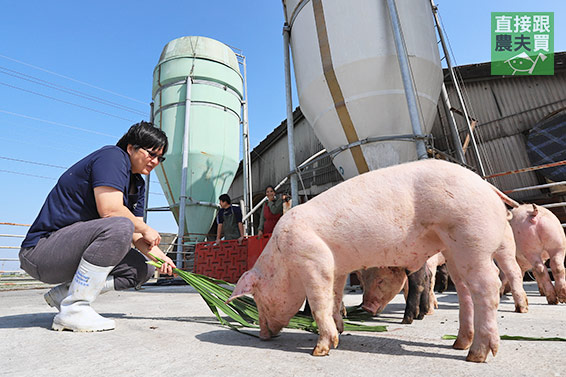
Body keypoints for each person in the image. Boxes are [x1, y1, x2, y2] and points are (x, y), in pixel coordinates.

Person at [19, 121, 176, 332]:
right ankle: (75, 309)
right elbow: (111, 211)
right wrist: (145, 228)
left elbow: (137, 234)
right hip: (42, 252)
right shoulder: (112, 157)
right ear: (131, 147)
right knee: (120, 225)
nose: (155, 161)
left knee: (140, 270)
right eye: (151, 154)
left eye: (160, 157)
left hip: (72, 251)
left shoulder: (137, 184)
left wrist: (161, 259)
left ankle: (67, 294)